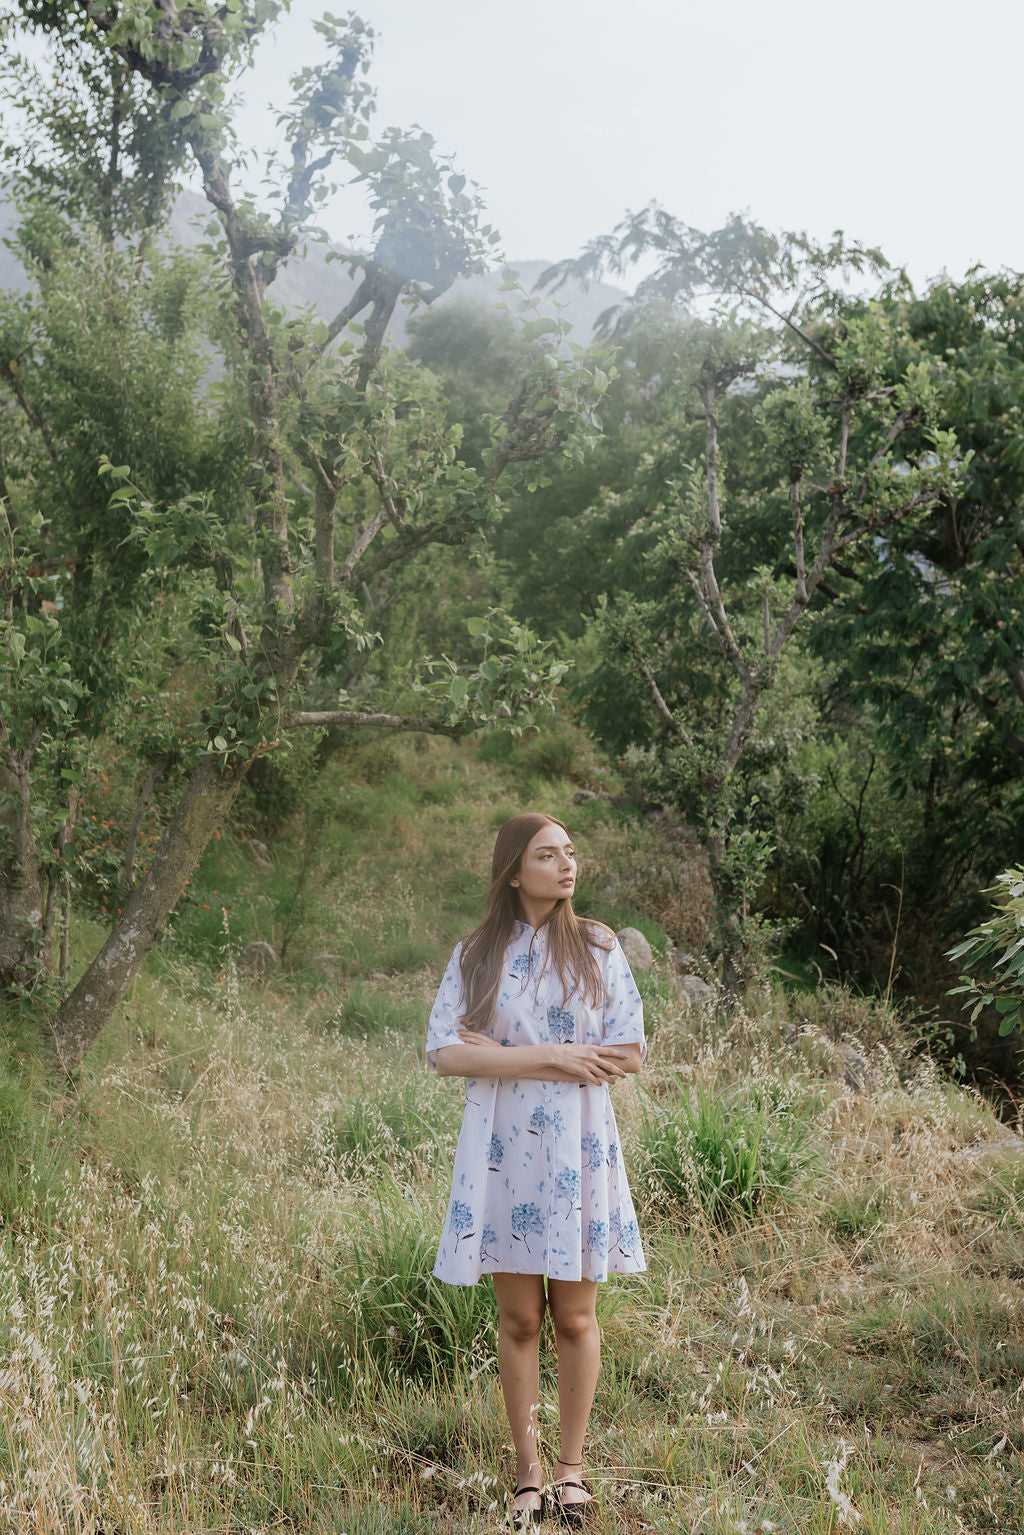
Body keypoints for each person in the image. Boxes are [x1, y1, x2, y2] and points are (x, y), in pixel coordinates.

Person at [426, 812, 646, 1525]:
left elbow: (627, 1052)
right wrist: (553, 1055)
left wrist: (499, 1050)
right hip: (501, 1152)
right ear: (514, 870)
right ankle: (526, 1472)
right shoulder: (476, 953)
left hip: (579, 1150)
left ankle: (571, 1469)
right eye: (547, 854)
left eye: (571, 852)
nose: (566, 864)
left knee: (574, 1317)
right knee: (519, 1318)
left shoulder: (597, 946)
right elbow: (445, 1052)